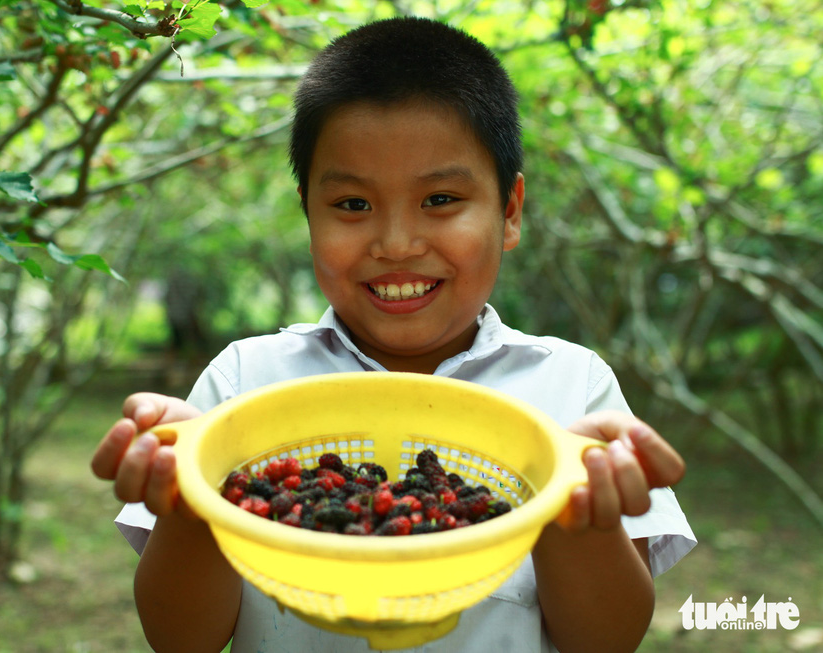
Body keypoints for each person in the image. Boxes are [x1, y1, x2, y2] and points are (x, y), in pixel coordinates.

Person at [91, 16, 696, 653]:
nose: (397, 245)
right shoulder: (243, 384)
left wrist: (572, 510)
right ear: (308, 215)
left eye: (440, 199)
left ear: (510, 211)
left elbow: (608, 640)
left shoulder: (570, 387)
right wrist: (194, 499)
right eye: (353, 205)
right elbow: (179, 639)